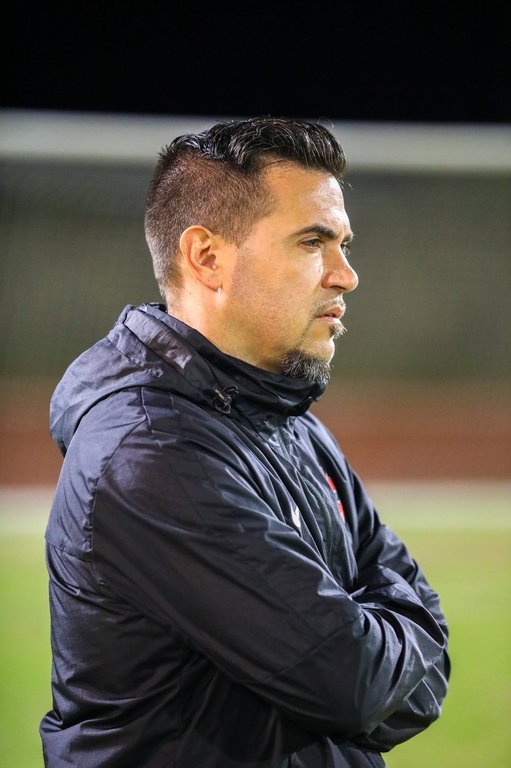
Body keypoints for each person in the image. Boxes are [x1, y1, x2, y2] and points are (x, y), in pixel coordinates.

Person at [40, 117, 450, 768]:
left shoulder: (289, 420)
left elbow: (421, 657)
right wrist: (388, 641)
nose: (345, 275)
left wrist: (385, 644)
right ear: (206, 257)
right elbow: (354, 685)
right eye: (313, 241)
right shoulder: (152, 454)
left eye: (342, 243)